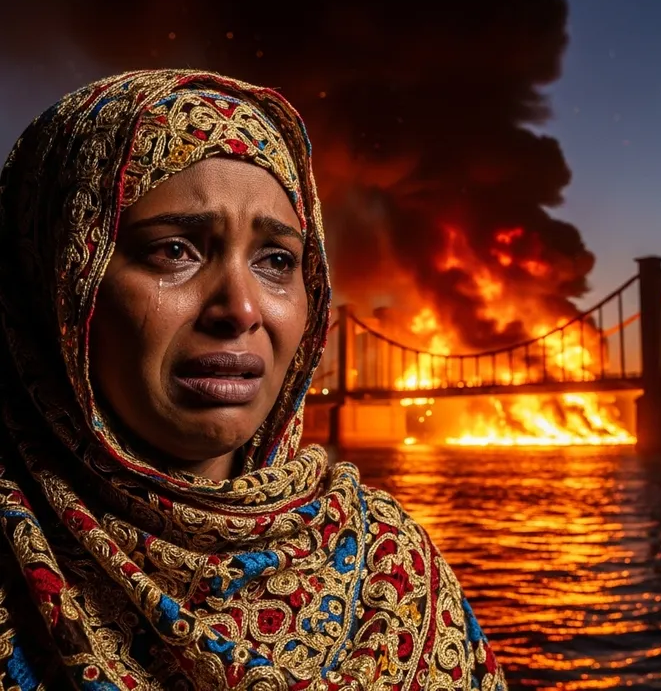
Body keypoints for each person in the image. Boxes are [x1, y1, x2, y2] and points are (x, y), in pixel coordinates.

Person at [0, 69, 506, 690]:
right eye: (174, 250)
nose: (240, 309)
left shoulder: (396, 571)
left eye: (276, 261)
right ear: (53, 281)